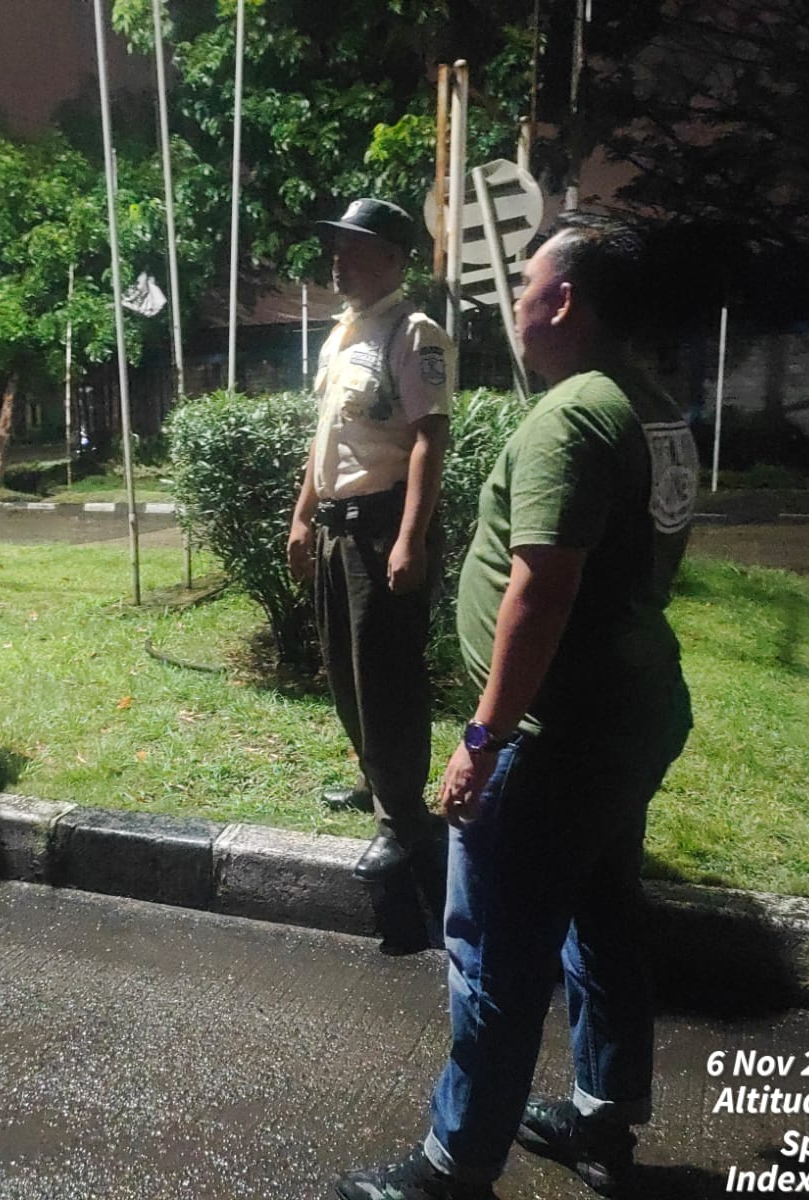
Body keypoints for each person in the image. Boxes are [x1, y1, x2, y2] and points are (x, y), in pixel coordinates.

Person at [334, 214, 699, 1200]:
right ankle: (603, 1115)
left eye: (527, 285)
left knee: (495, 950)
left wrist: (484, 737)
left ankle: (454, 1166)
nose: (516, 303)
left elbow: (540, 592)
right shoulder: (652, 404)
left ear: (564, 301)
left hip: (553, 734)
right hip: (630, 711)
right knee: (602, 915)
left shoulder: (572, 417)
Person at [286, 197, 454, 902]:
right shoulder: (344, 333)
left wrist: (410, 537)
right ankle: (374, 778)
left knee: (386, 675)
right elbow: (326, 438)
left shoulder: (415, 335)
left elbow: (429, 440)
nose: (339, 260)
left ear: (391, 257)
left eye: (353, 248)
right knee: (345, 669)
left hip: (384, 527)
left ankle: (404, 820)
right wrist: (303, 518)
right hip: (337, 525)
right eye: (337, 247)